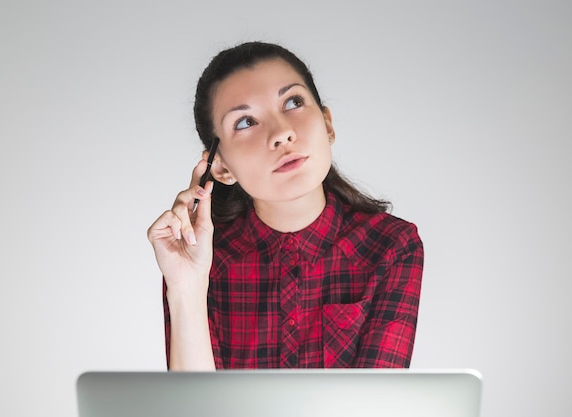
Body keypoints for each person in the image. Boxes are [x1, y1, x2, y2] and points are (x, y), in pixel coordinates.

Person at [147, 41, 424, 370]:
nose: (282, 134)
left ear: (327, 124)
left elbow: (376, 405)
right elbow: (193, 409)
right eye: (246, 122)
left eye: (293, 102)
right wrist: (187, 286)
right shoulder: (203, 257)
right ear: (221, 167)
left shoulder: (391, 246)